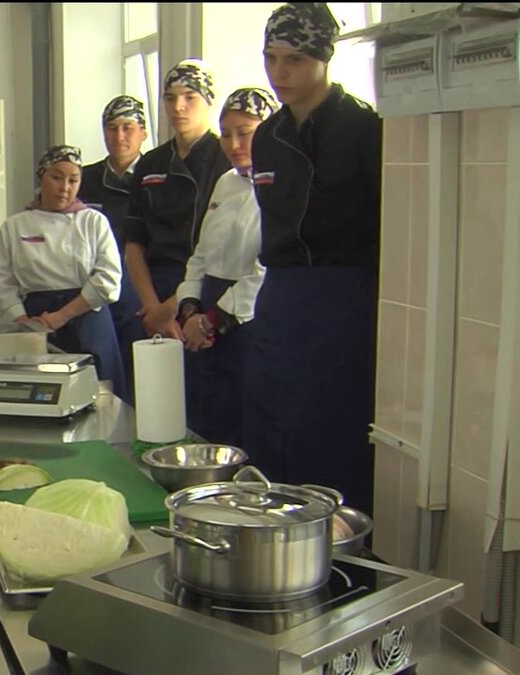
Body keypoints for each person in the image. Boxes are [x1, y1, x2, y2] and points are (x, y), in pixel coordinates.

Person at [244, 2, 382, 515]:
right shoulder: (268, 137)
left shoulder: (363, 129)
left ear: (324, 59)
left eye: (295, 60)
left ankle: (340, 541)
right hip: (281, 295)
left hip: (343, 293)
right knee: (271, 420)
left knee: (331, 425)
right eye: (271, 58)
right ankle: (273, 530)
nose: (280, 73)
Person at [175, 87, 277, 448]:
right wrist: (190, 310)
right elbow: (201, 255)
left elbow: (265, 268)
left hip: (246, 320)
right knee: (205, 420)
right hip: (204, 320)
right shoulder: (226, 182)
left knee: (245, 424)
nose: (234, 144)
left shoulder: (279, 186)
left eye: (245, 133)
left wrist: (212, 320)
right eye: (227, 134)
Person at [0, 145, 125, 393]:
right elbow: (3, 284)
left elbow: (108, 280)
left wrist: (63, 315)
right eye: (56, 177)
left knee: (100, 394)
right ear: (41, 177)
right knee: (43, 393)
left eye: (73, 180)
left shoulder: (93, 222)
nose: (64, 187)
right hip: (35, 320)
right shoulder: (15, 226)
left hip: (87, 315)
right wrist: (23, 323)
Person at [122, 60, 231, 344]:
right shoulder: (151, 163)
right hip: (152, 290)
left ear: (208, 101)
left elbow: (218, 248)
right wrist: (152, 307)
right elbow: (134, 243)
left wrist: (172, 307)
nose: (178, 107)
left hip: (200, 289)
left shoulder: (226, 161)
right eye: (170, 98)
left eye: (189, 97)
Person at [78, 95, 148, 404]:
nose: (119, 136)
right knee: (102, 375)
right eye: (111, 128)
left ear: (143, 132)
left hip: (142, 288)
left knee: (142, 375)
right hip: (94, 289)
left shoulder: (155, 174)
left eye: (127, 127)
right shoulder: (85, 179)